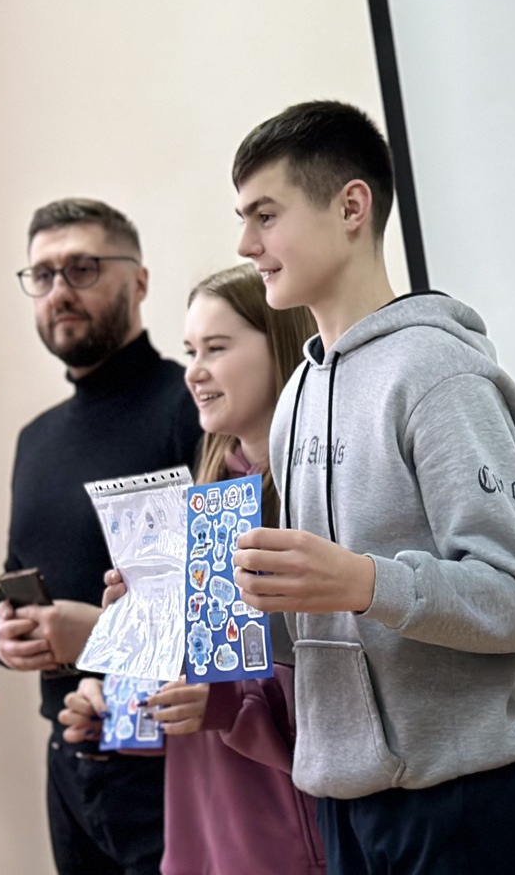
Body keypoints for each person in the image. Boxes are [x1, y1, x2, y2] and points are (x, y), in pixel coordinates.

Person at [225, 101, 515, 875]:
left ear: (352, 207)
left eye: (266, 216)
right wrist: (190, 605)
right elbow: (308, 623)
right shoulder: (297, 394)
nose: (246, 245)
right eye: (243, 220)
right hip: (345, 801)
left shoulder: (438, 374)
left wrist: (363, 582)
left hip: (464, 798)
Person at [58, 262, 325, 875]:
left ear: (280, 345)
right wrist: (120, 703)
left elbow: (335, 698)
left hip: (290, 843)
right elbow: (193, 695)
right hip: (203, 841)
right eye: (190, 351)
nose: (194, 371)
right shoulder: (201, 502)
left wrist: (223, 704)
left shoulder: (318, 498)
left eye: (217, 348)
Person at [0, 198, 203, 875]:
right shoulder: (35, 440)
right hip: (70, 755)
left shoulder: (192, 407)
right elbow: (15, 578)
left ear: (139, 281)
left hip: (173, 757)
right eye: (43, 275)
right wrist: (7, 635)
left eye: (82, 268)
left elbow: (229, 608)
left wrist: (99, 636)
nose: (59, 290)